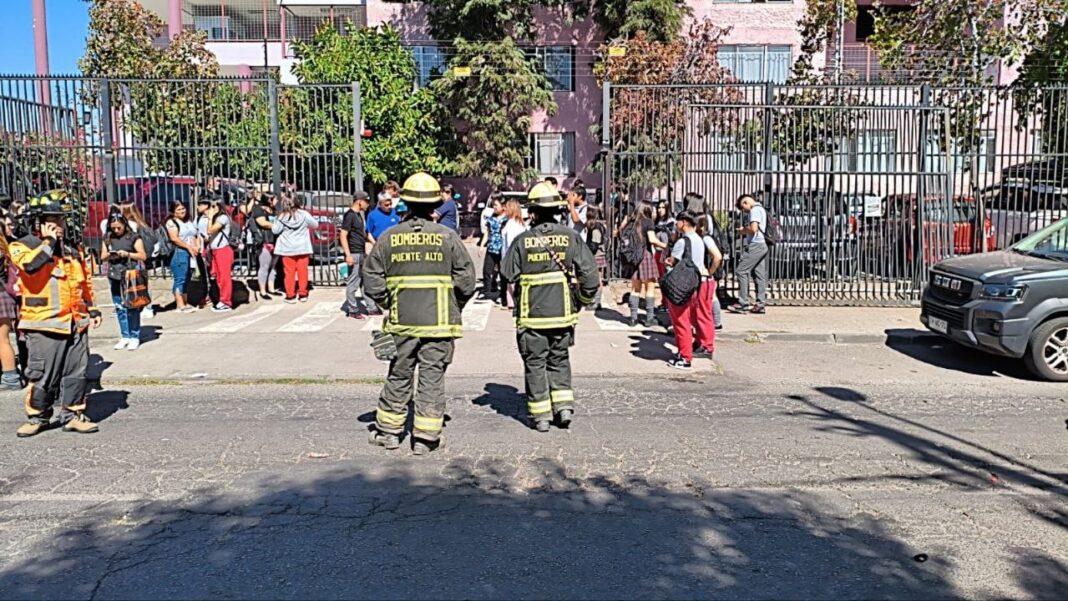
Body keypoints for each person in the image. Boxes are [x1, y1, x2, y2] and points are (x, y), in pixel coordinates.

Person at [363, 172, 477, 455]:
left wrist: (390, 303)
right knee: (431, 377)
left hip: (402, 324)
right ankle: (425, 438)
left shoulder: (389, 238)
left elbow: (372, 280)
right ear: (434, 205)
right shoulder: (448, 238)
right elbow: (467, 282)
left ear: (406, 204)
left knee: (399, 375)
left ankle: (389, 433)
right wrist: (453, 306)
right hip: (439, 327)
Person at [502, 182, 599, 433]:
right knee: (559, 360)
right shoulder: (571, 237)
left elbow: (507, 273)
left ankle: (541, 416)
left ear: (532, 212)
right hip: (562, 316)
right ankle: (563, 408)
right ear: (557, 209)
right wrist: (582, 302)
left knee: (535, 364)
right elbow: (590, 277)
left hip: (531, 318)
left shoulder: (523, 241)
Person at [10, 190, 103, 437]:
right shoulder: (22, 246)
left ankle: (73, 414)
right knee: (43, 376)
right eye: (53, 219)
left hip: (75, 322)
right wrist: (49, 243)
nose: (59, 224)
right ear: (38, 222)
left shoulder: (72, 249)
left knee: (77, 373)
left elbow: (85, 282)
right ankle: (37, 417)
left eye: (61, 219)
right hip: (44, 324)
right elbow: (30, 266)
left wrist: (92, 307)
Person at [664, 211, 719, 370]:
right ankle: (701, 345)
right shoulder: (699, 240)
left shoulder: (682, 242)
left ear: (684, 222)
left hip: (683, 284)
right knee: (698, 316)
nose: (676, 225)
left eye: (677, 222)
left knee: (681, 319)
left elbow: (672, 262)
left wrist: (668, 259)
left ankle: (684, 356)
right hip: (698, 281)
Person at [100, 213, 148, 350]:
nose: (116, 231)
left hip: (129, 274)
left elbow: (142, 255)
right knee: (119, 306)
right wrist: (111, 254)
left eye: (118, 228)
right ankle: (125, 335)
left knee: (132, 306)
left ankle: (134, 335)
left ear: (124, 225)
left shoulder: (133, 237)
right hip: (114, 275)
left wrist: (127, 254)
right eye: (113, 228)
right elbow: (103, 256)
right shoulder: (107, 238)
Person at [271, 194, 318, 304]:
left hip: (287, 248)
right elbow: (315, 225)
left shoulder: (281, 217)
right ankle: (302, 294)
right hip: (302, 247)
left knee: (289, 272)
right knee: (303, 271)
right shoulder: (304, 214)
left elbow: (275, 231)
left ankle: (290, 295)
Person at [339, 191, 379, 319]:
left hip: (361, 253)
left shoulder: (359, 215)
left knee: (364, 281)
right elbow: (343, 235)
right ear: (359, 201)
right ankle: (353, 309)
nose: (368, 204)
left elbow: (364, 233)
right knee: (353, 283)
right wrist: (348, 255)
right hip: (354, 253)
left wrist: (375, 243)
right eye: (366, 201)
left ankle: (371, 307)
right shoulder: (349, 215)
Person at [729, 194, 768, 315]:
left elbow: (753, 229)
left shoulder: (755, 210)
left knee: (742, 271)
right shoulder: (761, 209)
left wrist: (742, 231)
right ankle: (760, 304)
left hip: (755, 245)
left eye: (743, 208)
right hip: (762, 245)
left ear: (746, 203)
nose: (744, 211)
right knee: (759, 274)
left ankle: (743, 303)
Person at [628, 204, 666, 327]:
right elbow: (652, 240)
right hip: (645, 256)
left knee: (635, 288)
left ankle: (633, 318)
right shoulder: (648, 222)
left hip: (633, 257)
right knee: (650, 287)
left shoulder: (632, 222)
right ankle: (649, 317)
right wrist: (666, 246)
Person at [198, 199, 235, 313]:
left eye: (213, 207)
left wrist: (210, 217)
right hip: (215, 251)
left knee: (224, 277)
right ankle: (222, 299)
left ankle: (226, 302)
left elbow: (210, 230)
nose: (210, 210)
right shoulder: (216, 218)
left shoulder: (222, 218)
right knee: (218, 277)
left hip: (223, 250)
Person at [164, 200, 200, 313]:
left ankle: (185, 301)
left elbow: (194, 234)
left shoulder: (188, 221)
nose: (182, 211)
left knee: (187, 277)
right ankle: (179, 304)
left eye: (183, 208)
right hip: (179, 252)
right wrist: (188, 247)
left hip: (190, 252)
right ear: (173, 212)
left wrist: (195, 246)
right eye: (178, 209)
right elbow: (174, 238)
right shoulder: (171, 222)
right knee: (180, 278)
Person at [0, 213, 21, 390]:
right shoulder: (6, 248)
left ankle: (11, 377)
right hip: (4, 295)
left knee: (2, 340)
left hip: (1, 295)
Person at [249, 192, 280, 298]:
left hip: (275, 241)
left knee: (273, 267)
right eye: (275, 199)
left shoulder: (274, 211)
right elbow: (262, 223)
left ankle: (271, 288)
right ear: (269, 200)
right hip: (264, 241)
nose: (277, 201)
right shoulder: (258, 209)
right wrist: (277, 226)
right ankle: (263, 290)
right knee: (264, 266)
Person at [499, 199, 528, 310]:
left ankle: (512, 302)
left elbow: (510, 243)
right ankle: (512, 301)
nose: (504, 209)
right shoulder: (519, 224)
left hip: (511, 256)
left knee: (511, 280)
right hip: (515, 256)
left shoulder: (512, 225)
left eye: (507, 207)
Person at [478, 193, 505, 301]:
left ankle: (503, 294)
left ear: (503, 206)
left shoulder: (507, 219)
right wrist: (481, 246)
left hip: (502, 249)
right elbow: (487, 233)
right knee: (487, 271)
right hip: (491, 248)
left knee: (503, 273)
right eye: (493, 205)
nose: (494, 207)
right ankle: (486, 291)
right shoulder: (491, 218)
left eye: (496, 205)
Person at [585, 206, 608, 310]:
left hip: (597, 255)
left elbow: (595, 243)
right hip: (598, 254)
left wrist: (588, 253)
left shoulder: (596, 227)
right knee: (596, 279)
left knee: (598, 279)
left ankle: (597, 302)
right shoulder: (598, 226)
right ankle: (595, 301)